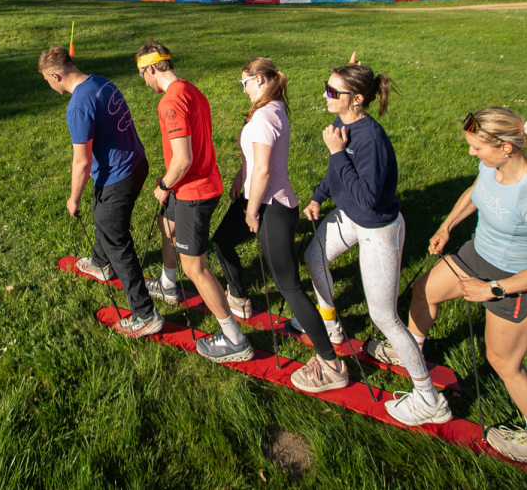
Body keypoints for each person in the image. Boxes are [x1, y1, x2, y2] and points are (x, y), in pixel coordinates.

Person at [404, 107, 527, 466]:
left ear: (507, 148)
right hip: (477, 254)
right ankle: (408, 354)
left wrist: (494, 290)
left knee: (503, 362)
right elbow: (476, 191)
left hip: (518, 281)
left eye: (478, 147)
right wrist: (447, 225)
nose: (472, 153)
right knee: (423, 292)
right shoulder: (492, 165)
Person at [300, 61, 449, 424]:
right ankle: (331, 323)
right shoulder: (342, 122)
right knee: (314, 259)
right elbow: (337, 174)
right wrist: (319, 195)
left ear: (357, 100)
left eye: (333, 91)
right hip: (348, 218)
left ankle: (429, 400)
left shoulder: (372, 140)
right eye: (327, 86)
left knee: (383, 316)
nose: (325, 95)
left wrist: (337, 153)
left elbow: (367, 198)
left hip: (378, 227)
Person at [210, 57, 348, 391]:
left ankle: (332, 363)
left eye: (244, 83)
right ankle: (239, 297)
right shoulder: (271, 108)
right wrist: (238, 180)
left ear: (258, 80)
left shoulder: (265, 116)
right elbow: (253, 163)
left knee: (288, 285)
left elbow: (263, 171)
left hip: (272, 207)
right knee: (222, 240)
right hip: (255, 197)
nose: (242, 90)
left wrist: (251, 211)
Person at [135, 41, 252, 364]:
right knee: (166, 226)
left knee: (196, 267)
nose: (143, 82)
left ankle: (235, 339)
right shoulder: (190, 90)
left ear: (149, 69)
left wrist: (163, 184)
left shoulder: (169, 103)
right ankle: (167, 284)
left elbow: (183, 159)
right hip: (199, 183)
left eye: (141, 74)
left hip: (193, 191)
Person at [38, 46, 162, 338]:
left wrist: (73, 198)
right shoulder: (101, 82)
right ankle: (99, 262)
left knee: (117, 240)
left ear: (56, 75)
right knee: (103, 216)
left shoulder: (78, 106)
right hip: (137, 164)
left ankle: (146, 315)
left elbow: (81, 162)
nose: (48, 84)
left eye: (47, 80)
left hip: (118, 177)